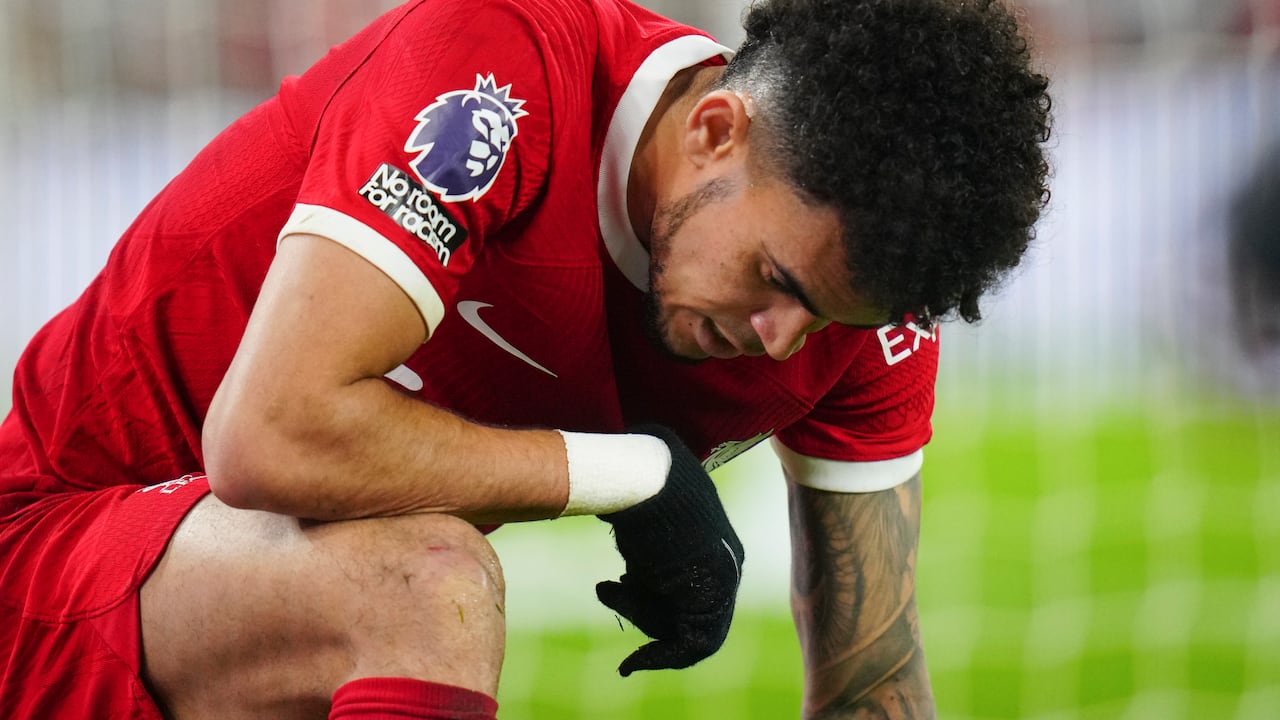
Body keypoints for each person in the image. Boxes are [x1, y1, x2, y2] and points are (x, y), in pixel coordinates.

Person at [0, 0, 1051, 717]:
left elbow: (872, 673)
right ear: (715, 130)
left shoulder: (848, 323)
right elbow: (267, 433)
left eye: (826, 319)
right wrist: (639, 475)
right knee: (426, 583)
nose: (784, 340)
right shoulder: (498, 68)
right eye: (775, 281)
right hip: (50, 564)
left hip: (255, 641)